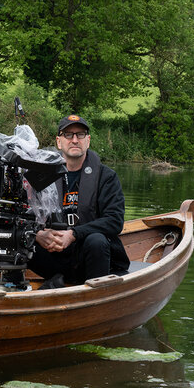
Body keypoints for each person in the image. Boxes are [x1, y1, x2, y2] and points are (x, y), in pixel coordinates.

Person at [27, 114, 130, 289]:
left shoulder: (107, 177)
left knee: (96, 240)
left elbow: (114, 220)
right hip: (54, 254)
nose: (75, 140)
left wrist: (74, 234)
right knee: (15, 238)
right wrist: (39, 234)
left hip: (91, 257)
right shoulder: (41, 176)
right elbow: (25, 216)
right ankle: (15, 289)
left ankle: (95, 299)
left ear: (87, 141)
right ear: (59, 142)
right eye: (68, 135)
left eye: (80, 135)